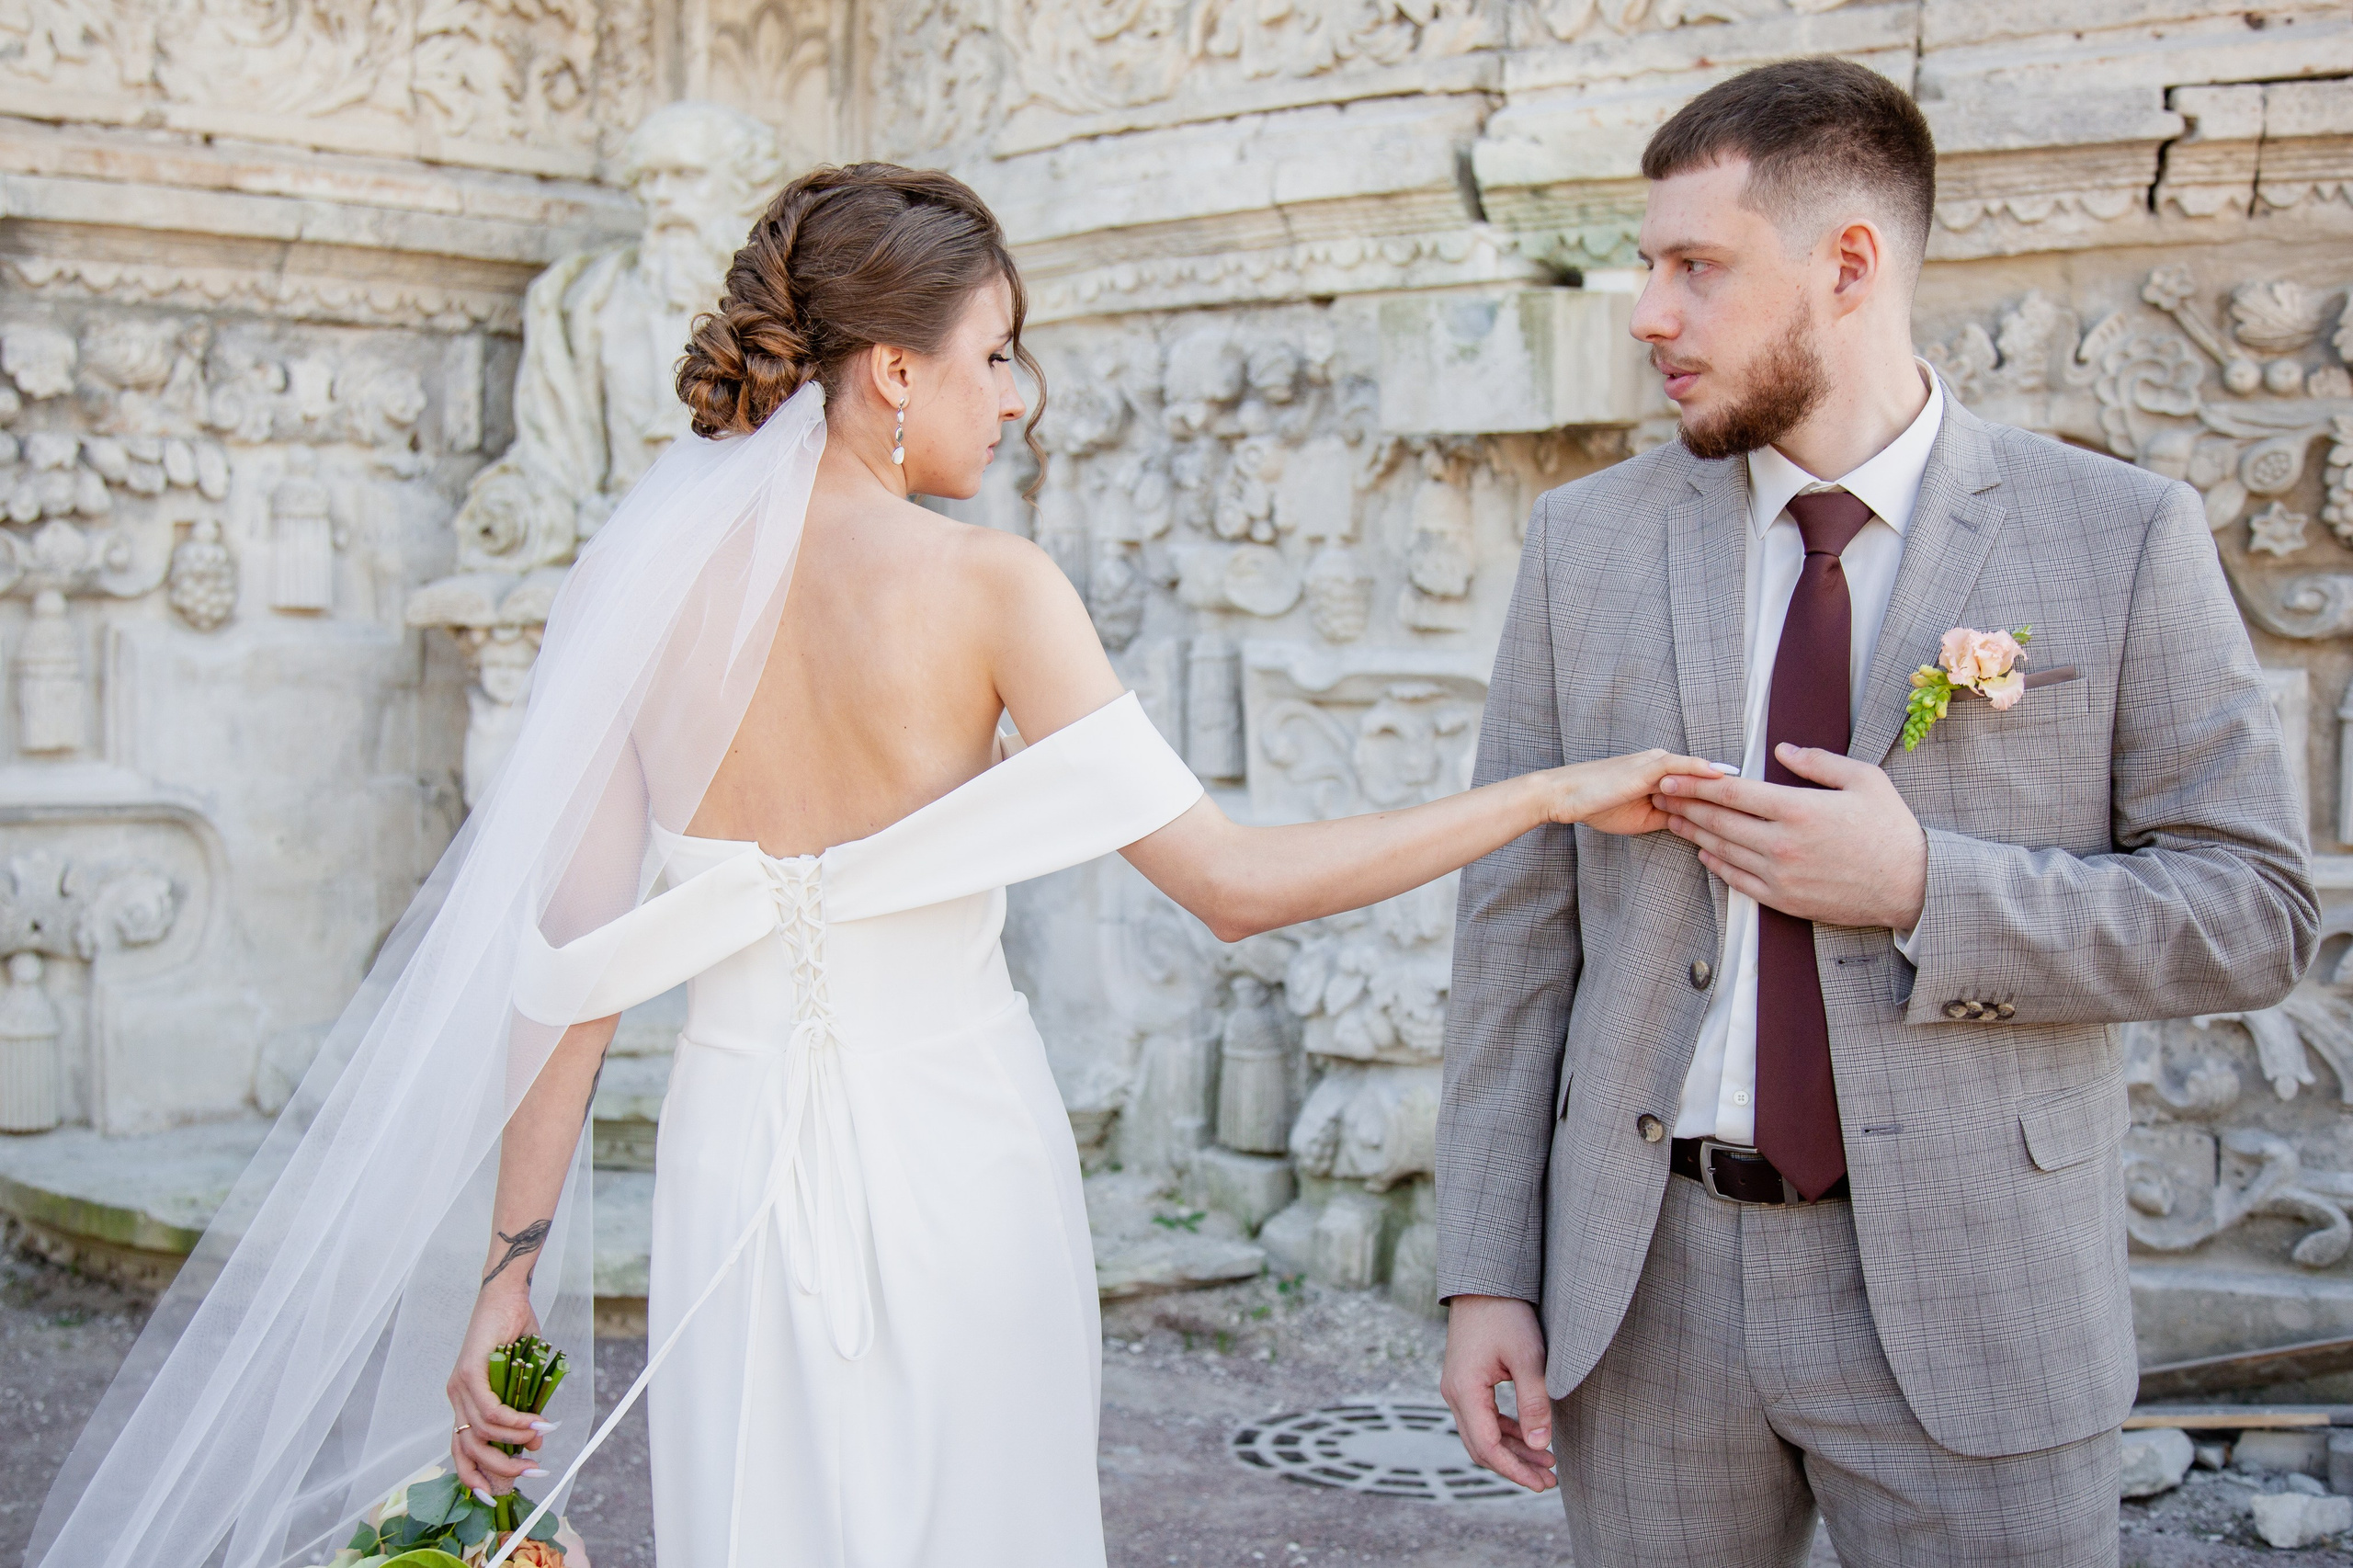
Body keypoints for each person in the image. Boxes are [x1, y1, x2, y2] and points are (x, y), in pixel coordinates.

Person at [28, 164, 1721, 1568]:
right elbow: (1234, 881)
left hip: (729, 1169)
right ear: (891, 373)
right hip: (960, 1163)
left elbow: (570, 971)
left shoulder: (644, 604)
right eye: (996, 353)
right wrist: (1553, 791)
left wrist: (509, 1279)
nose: (1016, 391)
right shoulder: (991, 588)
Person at [1434, 57, 2317, 1568]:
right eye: (1650, 267)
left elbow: (2255, 910)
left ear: (1851, 264)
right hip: (1643, 1297)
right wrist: (1483, 1274)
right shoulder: (1585, 545)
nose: (1649, 312)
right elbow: (1517, 936)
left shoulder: (2115, 537)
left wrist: (1928, 886)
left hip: (1981, 1296)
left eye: (1696, 267)